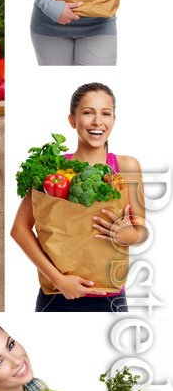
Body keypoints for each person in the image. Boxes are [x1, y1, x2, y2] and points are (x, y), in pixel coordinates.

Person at [11, 83, 147, 312]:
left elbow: (141, 231)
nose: (97, 121)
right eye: (87, 113)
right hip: (57, 295)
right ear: (72, 120)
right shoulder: (52, 167)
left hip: (110, 296)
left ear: (114, 119)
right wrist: (58, 280)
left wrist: (128, 235)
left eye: (106, 113)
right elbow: (19, 229)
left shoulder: (127, 166)